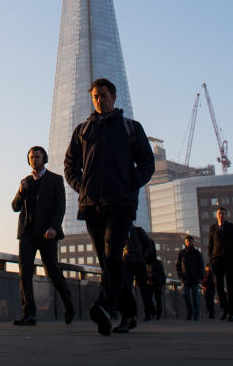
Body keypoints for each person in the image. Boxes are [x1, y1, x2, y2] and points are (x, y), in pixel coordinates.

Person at [64, 78, 155, 336]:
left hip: (121, 204)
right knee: (107, 262)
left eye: (103, 95)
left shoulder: (131, 128)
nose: (99, 100)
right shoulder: (83, 130)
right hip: (91, 205)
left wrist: (130, 184)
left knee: (114, 255)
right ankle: (128, 314)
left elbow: (147, 164)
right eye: (95, 96)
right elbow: (70, 165)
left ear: (114, 98)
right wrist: (82, 187)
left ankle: (103, 305)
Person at [11, 146, 75, 326]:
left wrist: (54, 227)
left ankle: (68, 304)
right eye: (31, 157)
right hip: (27, 233)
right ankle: (29, 314)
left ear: (44, 158)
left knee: (52, 271)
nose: (33, 160)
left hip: (47, 233)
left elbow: (60, 207)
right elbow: (15, 206)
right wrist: (22, 191)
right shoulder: (25, 182)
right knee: (25, 272)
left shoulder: (55, 180)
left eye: (37, 157)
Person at [207, 206, 233, 321]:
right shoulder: (213, 228)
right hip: (217, 261)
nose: (221, 215)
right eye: (219, 213)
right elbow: (210, 245)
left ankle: (231, 312)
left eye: (223, 213)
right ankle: (224, 309)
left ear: (226, 215)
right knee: (220, 288)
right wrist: (211, 259)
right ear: (216, 215)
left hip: (230, 260)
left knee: (231, 288)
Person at [121, 224, 156, 328]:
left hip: (139, 263)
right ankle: (130, 314)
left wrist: (143, 256)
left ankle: (149, 313)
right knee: (127, 288)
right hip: (127, 264)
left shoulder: (138, 230)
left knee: (144, 290)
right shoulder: (121, 231)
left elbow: (149, 244)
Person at [176, 235, 205, 321]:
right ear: (185, 242)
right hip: (185, 279)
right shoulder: (181, 253)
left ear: (193, 242)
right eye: (187, 241)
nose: (189, 242)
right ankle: (190, 312)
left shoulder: (197, 253)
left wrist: (201, 277)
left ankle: (196, 314)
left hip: (195, 279)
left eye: (190, 241)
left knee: (195, 297)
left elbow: (201, 265)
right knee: (186, 296)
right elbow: (178, 266)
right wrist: (180, 276)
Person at [148, 255, 166, 320]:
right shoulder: (146, 262)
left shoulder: (158, 263)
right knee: (149, 298)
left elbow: (162, 273)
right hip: (150, 283)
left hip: (157, 283)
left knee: (158, 299)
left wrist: (163, 283)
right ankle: (155, 312)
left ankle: (158, 313)